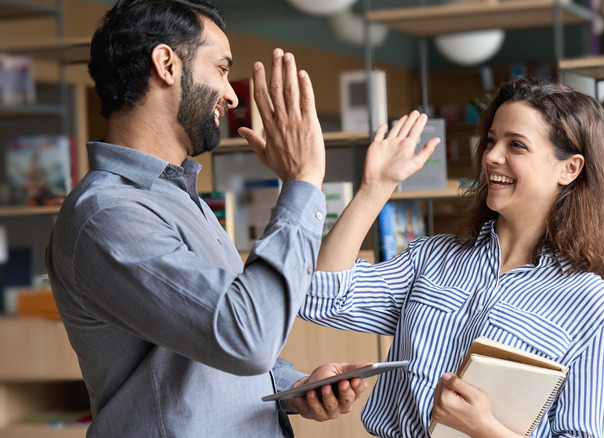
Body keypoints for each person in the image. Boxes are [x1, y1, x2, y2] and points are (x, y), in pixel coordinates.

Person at [45, 0, 370, 436]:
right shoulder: (107, 214)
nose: (232, 93)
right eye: (220, 68)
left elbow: (213, 342)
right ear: (166, 65)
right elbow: (246, 336)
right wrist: (302, 182)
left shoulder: (179, 196)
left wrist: (294, 387)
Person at [299, 77, 604, 437]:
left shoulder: (597, 310)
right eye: (492, 140)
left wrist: (484, 429)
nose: (491, 156)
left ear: (569, 169)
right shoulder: (432, 259)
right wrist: (376, 187)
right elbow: (321, 296)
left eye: (517, 145)